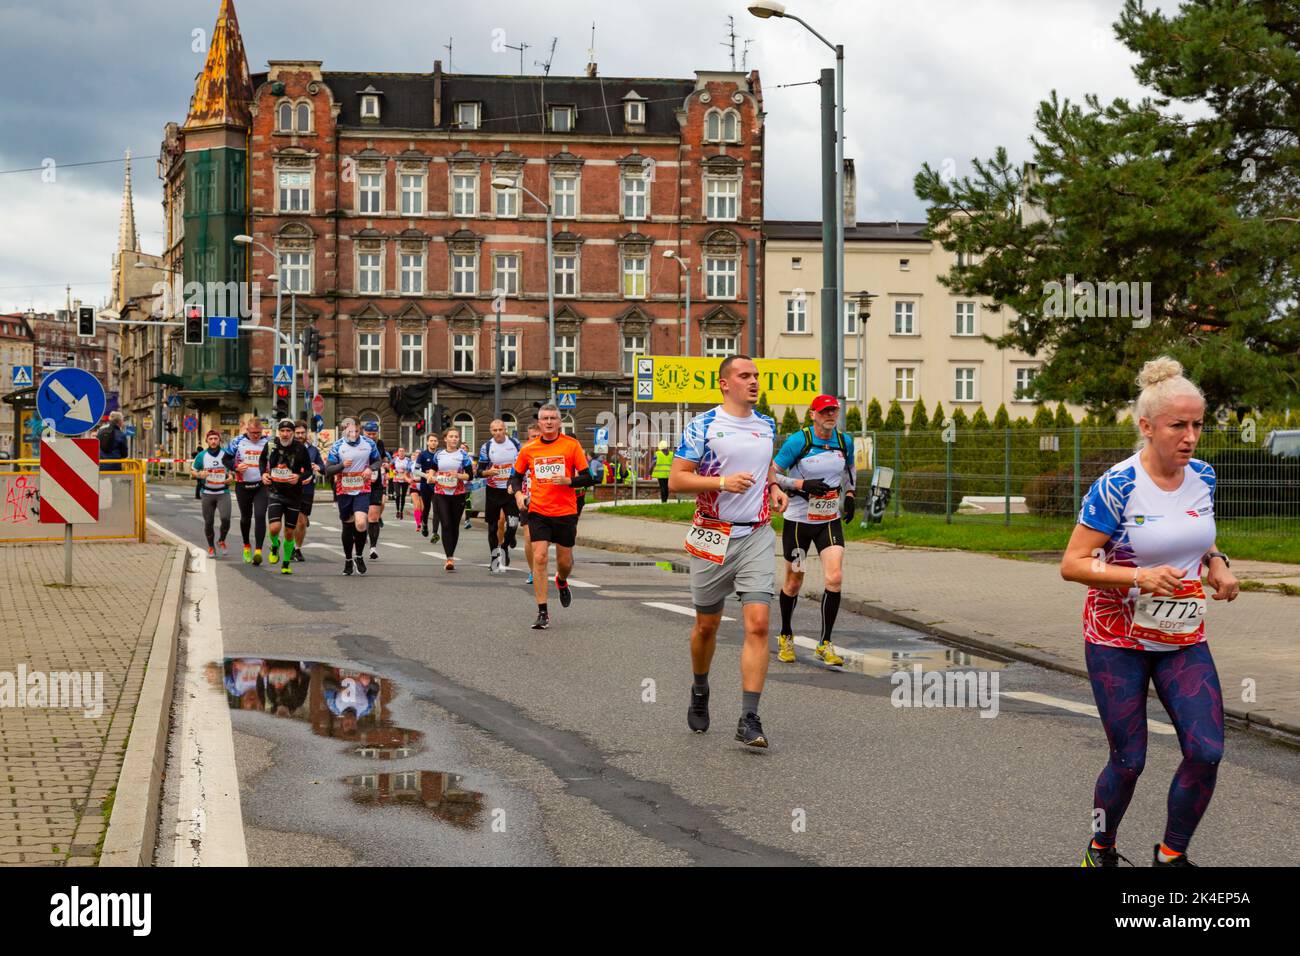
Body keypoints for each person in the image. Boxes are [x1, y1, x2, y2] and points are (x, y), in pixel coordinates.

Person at [1061, 357, 1238, 868]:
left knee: (1206, 751)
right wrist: (1138, 576)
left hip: (1182, 637)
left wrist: (1217, 563)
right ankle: (1101, 847)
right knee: (1130, 760)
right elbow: (1072, 565)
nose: (1190, 437)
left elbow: (1194, 537)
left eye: (1198, 424)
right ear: (1147, 426)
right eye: (1177, 425)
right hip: (1117, 640)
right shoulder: (1117, 485)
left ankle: (1170, 855)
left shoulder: (1203, 476)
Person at [669, 355, 786, 748]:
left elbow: (766, 463)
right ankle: (700, 687)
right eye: (745, 376)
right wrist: (721, 482)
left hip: (756, 533)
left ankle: (749, 718)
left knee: (757, 624)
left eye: (756, 376)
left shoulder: (767, 424)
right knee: (707, 626)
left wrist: (773, 487)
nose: (754, 382)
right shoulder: (703, 425)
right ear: (724, 383)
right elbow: (676, 480)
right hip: (712, 534)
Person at [772, 394, 856, 667]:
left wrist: (851, 494)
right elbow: (772, 472)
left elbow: (849, 468)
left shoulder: (845, 442)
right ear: (813, 414)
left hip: (828, 519)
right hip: (798, 522)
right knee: (794, 581)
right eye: (824, 411)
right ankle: (785, 634)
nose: (830, 416)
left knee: (835, 577)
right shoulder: (800, 441)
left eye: (833, 411)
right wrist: (800, 485)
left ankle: (825, 643)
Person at [509, 404, 595, 630]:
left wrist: (569, 481)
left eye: (553, 418)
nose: (548, 422)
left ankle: (562, 580)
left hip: (565, 511)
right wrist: (518, 495)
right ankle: (542, 612)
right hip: (538, 511)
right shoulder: (529, 449)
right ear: (539, 422)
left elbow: (589, 477)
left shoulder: (571, 445)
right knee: (539, 558)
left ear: (559, 422)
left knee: (564, 562)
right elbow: (515, 477)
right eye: (544, 418)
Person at [323, 417, 380, 575]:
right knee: (348, 525)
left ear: (359, 429)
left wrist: (370, 469)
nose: (353, 433)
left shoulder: (369, 444)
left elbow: (377, 461)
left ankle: (359, 556)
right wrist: (341, 465)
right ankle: (348, 559)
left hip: (362, 488)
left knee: (361, 523)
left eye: (355, 430)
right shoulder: (338, 446)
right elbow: (328, 470)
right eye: (349, 430)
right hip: (344, 490)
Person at [260, 419, 313, 574]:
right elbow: (262, 460)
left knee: (289, 532)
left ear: (292, 433)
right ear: (279, 432)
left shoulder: (300, 448)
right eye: (282, 431)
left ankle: (285, 564)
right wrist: (263, 473)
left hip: (294, 495)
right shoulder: (271, 445)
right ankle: (275, 545)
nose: (285, 434)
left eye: (288, 431)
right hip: (275, 492)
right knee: (275, 527)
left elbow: (308, 471)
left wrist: (299, 477)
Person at [478, 420, 521, 572]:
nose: (497, 433)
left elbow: (523, 464)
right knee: (492, 528)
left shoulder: (515, 444)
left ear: (505, 430)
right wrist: (488, 472)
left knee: (513, 523)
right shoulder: (487, 447)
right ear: (491, 431)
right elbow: (479, 471)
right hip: (493, 491)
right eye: (494, 430)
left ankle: (504, 546)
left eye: (500, 429)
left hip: (510, 490)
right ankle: (494, 558)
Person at [430, 428, 474, 571]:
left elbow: (470, 475)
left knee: (454, 526)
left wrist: (458, 475)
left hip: (458, 494)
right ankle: (449, 558)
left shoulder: (463, 455)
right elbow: (433, 468)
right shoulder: (439, 454)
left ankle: (451, 554)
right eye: (451, 436)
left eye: (456, 437)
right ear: (445, 439)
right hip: (441, 493)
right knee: (446, 524)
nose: (454, 439)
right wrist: (431, 476)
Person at [228, 418, 270, 565]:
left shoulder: (268, 442)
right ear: (247, 430)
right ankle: (246, 545)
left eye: (259, 433)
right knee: (246, 517)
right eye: (253, 433)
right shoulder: (237, 442)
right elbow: (225, 459)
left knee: (260, 515)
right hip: (243, 485)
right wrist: (235, 467)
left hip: (261, 485)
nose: (256, 436)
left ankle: (258, 551)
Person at [191, 429, 234, 557]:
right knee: (209, 522)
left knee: (225, 519)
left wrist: (231, 476)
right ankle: (211, 546)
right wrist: (199, 474)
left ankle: (221, 540)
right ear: (207, 441)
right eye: (211, 439)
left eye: (216, 439)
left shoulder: (226, 454)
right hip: (207, 493)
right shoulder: (201, 456)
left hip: (223, 492)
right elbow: (193, 471)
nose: (213, 441)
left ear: (219, 440)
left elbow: (232, 470)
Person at [292, 421, 324, 562]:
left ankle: (297, 549)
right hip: (290, 489)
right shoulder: (287, 448)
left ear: (306, 433)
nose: (300, 435)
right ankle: (290, 546)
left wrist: (317, 466)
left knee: (301, 522)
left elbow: (323, 467)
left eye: (302, 433)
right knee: (291, 521)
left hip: (307, 489)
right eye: (297, 433)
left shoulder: (313, 450)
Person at [361, 420, 389, 560]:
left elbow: (383, 456)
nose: (371, 436)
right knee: (360, 516)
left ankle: (373, 548)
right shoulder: (358, 444)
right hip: (359, 482)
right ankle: (360, 537)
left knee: (373, 517)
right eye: (368, 433)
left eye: (374, 434)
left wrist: (385, 462)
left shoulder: (380, 444)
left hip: (376, 483)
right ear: (363, 432)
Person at [518, 422, 541, 585]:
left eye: (539, 436)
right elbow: (515, 475)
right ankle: (533, 571)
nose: (536, 439)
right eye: (533, 436)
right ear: (529, 437)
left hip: (548, 500)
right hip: (528, 499)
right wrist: (516, 491)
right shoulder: (524, 453)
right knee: (528, 537)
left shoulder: (550, 452)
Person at [413, 432, 442, 541]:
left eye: (435, 441)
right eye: (431, 441)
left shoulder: (440, 454)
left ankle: (435, 532)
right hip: (426, 485)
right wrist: (427, 475)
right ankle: (424, 523)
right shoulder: (423, 455)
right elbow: (415, 470)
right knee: (427, 508)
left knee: (437, 509)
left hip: (437, 485)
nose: (433, 443)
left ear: (437, 442)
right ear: (427, 442)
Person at [390, 447, 412, 520]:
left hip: (405, 479)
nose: (401, 453)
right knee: (398, 495)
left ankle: (401, 511)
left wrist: (406, 472)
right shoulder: (395, 459)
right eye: (400, 451)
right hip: (396, 479)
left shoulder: (408, 460)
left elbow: (410, 468)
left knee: (403, 496)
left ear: (404, 452)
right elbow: (391, 467)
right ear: (398, 452)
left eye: (403, 451)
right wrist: (393, 473)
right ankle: (397, 511)